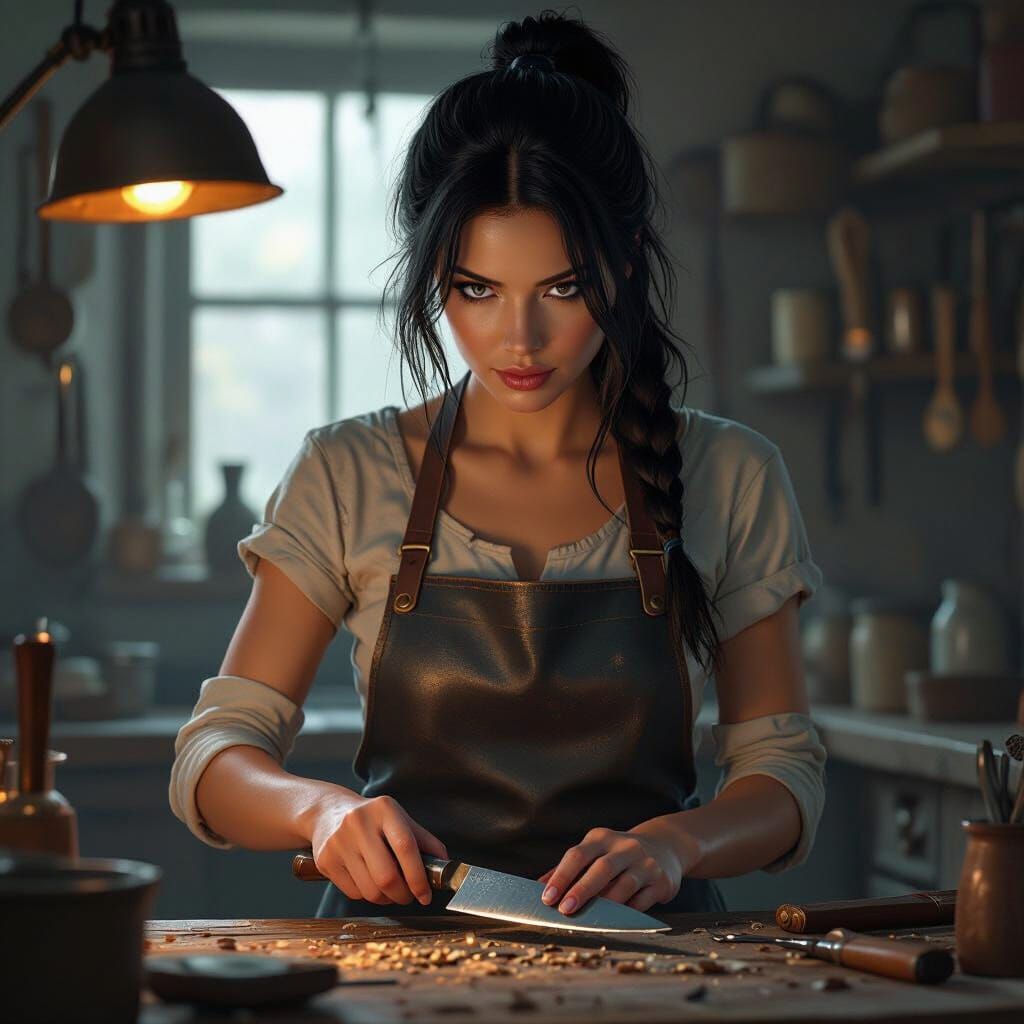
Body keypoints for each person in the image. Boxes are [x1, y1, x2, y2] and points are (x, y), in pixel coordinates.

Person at [170, 9, 826, 921]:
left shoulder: (731, 472)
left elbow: (783, 773)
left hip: (656, 969)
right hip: (395, 973)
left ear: (627, 265)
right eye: (476, 290)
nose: (521, 339)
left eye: (564, 288)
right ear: (433, 271)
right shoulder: (346, 472)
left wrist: (680, 843)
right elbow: (214, 755)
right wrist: (322, 813)